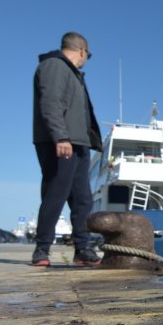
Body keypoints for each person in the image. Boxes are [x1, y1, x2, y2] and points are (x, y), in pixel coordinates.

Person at [32, 32, 103, 266]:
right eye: (88, 55)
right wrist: (60, 136)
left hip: (80, 144)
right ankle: (42, 249)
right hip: (61, 142)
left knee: (83, 199)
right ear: (82, 50)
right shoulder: (54, 66)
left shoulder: (74, 75)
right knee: (55, 193)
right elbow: (50, 103)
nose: (86, 59)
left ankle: (82, 248)